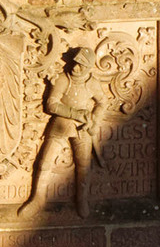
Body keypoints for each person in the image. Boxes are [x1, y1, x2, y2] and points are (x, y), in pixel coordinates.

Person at [19, 42, 108, 219]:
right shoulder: (63, 79)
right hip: (61, 124)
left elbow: (103, 102)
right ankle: (38, 198)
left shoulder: (92, 83)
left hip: (83, 129)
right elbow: (51, 104)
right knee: (45, 162)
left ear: (88, 68)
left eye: (81, 65)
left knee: (83, 164)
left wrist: (95, 120)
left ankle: (82, 199)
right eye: (75, 63)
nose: (76, 67)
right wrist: (74, 113)